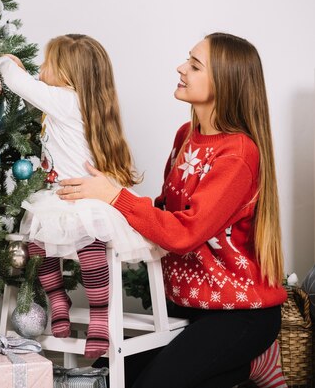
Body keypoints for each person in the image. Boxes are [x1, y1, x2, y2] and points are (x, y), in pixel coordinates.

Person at [57, 32, 287, 388]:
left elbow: (183, 233)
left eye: (195, 65)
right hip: (187, 304)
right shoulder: (186, 136)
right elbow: (165, 211)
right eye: (187, 60)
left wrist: (116, 196)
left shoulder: (238, 154)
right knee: (114, 377)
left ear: (224, 82)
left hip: (240, 313)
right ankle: (246, 368)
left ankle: (250, 357)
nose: (181, 68)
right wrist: (100, 200)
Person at [0, 34, 158, 358]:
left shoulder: (66, 99)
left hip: (82, 200)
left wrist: (6, 62)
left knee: (90, 250)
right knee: (39, 246)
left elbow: (19, 83)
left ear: (67, 73)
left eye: (47, 63)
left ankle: (99, 317)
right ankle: (58, 300)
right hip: (59, 198)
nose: (41, 68)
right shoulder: (78, 101)